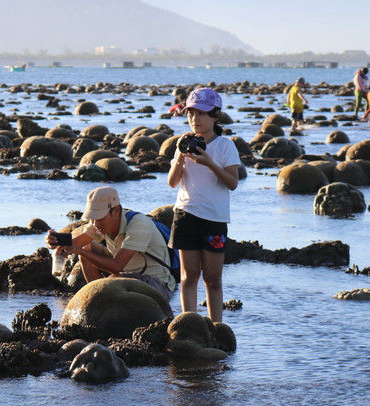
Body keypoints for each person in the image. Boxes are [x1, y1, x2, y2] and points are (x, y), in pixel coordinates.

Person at [167, 87, 241, 323]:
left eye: (201, 113)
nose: (195, 119)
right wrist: (180, 157)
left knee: (213, 279)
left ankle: (217, 327)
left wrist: (209, 162)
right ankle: (190, 325)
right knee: (188, 277)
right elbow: (172, 183)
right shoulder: (184, 143)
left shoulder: (225, 146)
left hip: (214, 219)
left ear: (215, 116)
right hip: (185, 215)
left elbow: (232, 183)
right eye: (191, 113)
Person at [45, 186, 176, 301]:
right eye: (92, 218)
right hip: (128, 274)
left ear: (116, 211)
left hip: (157, 284)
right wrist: (55, 242)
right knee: (87, 248)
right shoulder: (99, 224)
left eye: (100, 217)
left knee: (111, 279)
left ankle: (103, 297)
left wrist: (82, 252)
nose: (95, 224)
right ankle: (99, 299)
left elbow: (116, 266)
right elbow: (75, 244)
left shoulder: (139, 224)